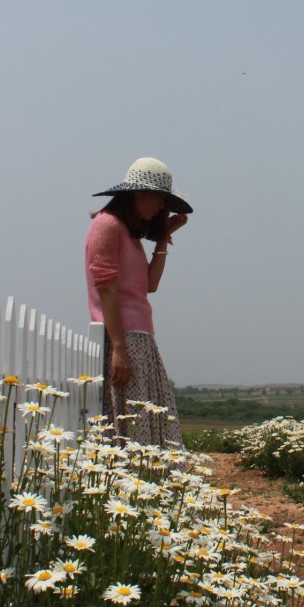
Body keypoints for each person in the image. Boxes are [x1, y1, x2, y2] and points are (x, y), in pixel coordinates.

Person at [84, 157, 191, 447]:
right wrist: (118, 347)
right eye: (159, 200)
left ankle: (149, 481)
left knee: (144, 420)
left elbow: (150, 285)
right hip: (126, 337)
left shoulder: (129, 235)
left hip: (140, 338)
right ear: (139, 193)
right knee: (132, 422)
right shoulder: (107, 225)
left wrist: (162, 237)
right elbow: (106, 288)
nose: (160, 208)